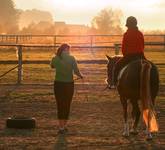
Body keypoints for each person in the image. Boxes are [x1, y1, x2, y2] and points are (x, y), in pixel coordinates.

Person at [50, 43, 83, 134]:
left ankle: (60, 127)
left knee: (60, 104)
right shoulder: (72, 58)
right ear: (66, 49)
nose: (69, 51)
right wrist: (81, 76)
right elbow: (76, 71)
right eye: (69, 49)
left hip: (58, 84)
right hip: (69, 84)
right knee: (67, 104)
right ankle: (64, 125)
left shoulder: (55, 58)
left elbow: (52, 66)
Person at [113, 16, 145, 87]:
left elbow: (124, 48)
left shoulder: (126, 34)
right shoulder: (140, 34)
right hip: (140, 55)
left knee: (116, 66)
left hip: (129, 56)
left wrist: (125, 55)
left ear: (128, 25)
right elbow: (142, 46)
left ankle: (115, 84)